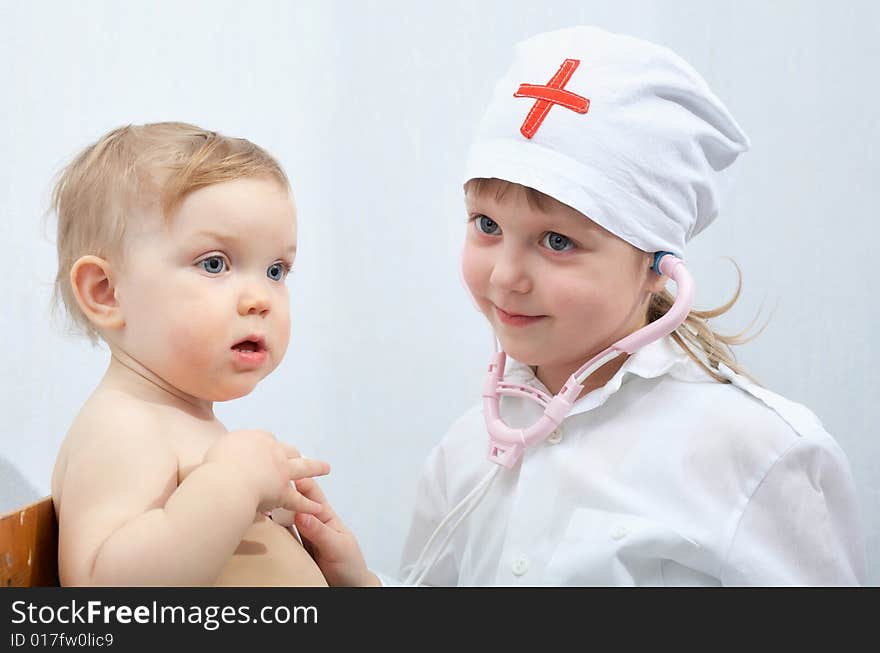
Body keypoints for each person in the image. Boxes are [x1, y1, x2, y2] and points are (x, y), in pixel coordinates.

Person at [290, 26, 867, 586]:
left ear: (655, 264)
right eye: (486, 224)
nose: (505, 275)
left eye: (557, 241)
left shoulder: (758, 453)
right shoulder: (469, 448)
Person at [49, 122, 331, 586]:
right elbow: (103, 604)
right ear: (107, 293)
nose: (260, 298)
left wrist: (332, 564)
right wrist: (235, 484)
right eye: (214, 263)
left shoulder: (186, 425)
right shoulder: (123, 428)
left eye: (276, 270)